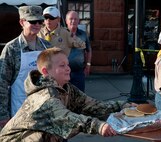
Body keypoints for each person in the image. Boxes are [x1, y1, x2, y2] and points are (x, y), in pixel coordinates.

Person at [0, 47, 137, 141]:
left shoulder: (67, 88)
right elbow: (68, 118)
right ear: (45, 72)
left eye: (67, 64)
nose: (68, 69)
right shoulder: (44, 98)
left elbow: (94, 105)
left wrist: (124, 106)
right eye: (62, 66)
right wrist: (99, 126)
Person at [0, 5, 51, 130]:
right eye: (33, 21)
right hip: (18, 110)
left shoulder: (47, 47)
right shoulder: (11, 49)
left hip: (43, 110)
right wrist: (3, 115)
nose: (37, 25)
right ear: (22, 22)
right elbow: (2, 84)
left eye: (40, 21)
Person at [65, 11, 92, 92]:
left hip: (78, 72)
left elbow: (89, 50)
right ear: (66, 21)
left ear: (78, 21)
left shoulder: (83, 34)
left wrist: (88, 64)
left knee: (79, 97)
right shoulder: (61, 34)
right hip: (63, 72)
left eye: (75, 19)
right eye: (71, 19)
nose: (73, 21)